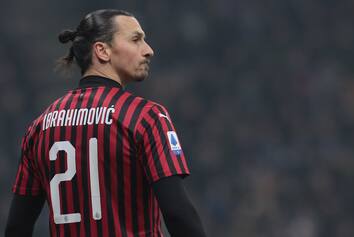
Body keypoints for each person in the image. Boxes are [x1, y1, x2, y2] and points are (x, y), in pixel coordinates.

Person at [5, 9, 207, 237]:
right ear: (102, 50)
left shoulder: (40, 127)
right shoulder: (145, 116)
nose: (148, 50)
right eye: (136, 39)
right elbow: (178, 214)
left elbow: (16, 227)